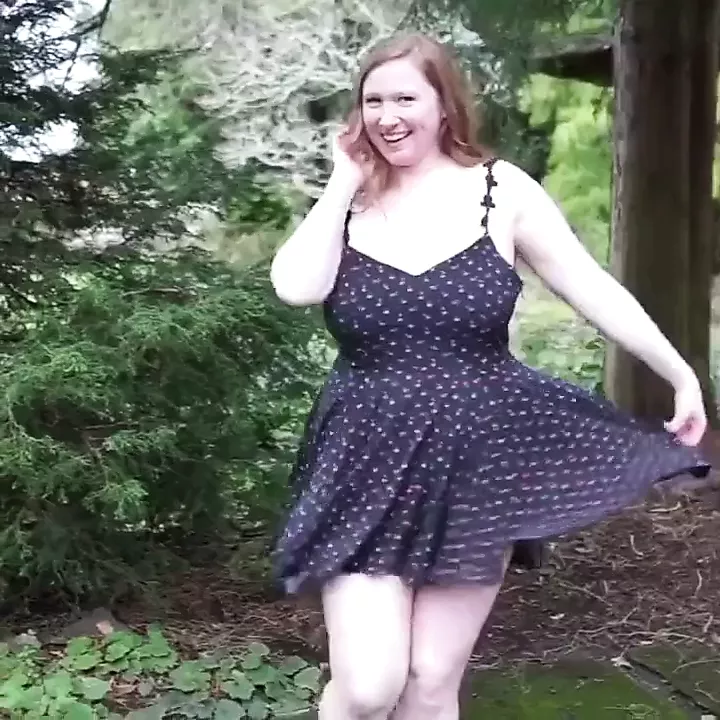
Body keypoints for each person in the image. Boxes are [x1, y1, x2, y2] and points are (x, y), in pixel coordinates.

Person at [269, 32, 711, 720]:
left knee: (430, 680)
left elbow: (590, 286)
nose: (388, 116)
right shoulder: (348, 203)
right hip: (365, 461)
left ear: (444, 105)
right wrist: (341, 182)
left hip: (478, 463)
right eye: (373, 101)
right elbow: (296, 287)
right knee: (368, 687)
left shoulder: (502, 192)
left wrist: (678, 371)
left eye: (405, 99)